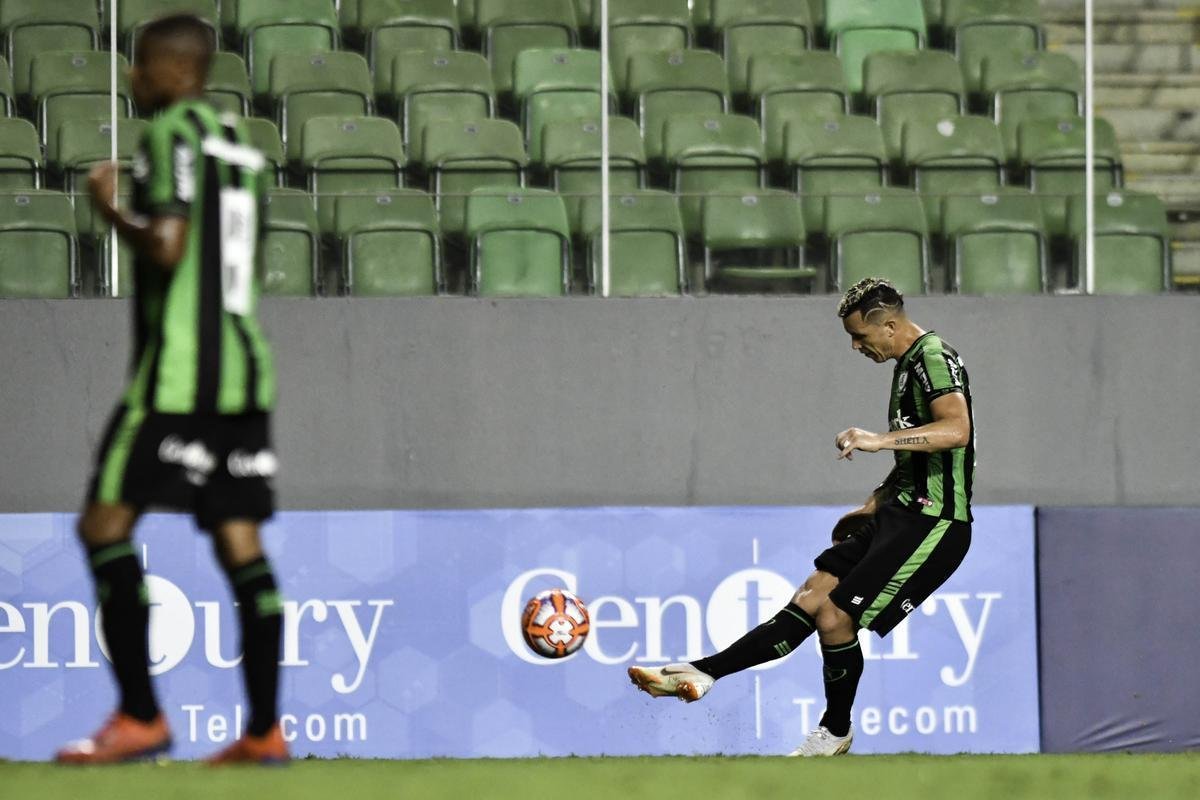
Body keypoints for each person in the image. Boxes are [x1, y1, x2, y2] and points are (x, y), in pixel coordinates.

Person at [56, 14, 286, 765]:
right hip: (244, 371)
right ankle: (264, 731)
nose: (133, 77)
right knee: (241, 543)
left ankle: (140, 717)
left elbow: (168, 245)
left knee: (103, 528)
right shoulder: (242, 147)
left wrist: (109, 212)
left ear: (175, 70)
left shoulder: (168, 136)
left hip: (178, 377)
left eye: (141, 64)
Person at [628, 277, 975, 757]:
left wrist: (878, 440)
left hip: (934, 522)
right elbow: (919, 458)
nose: (855, 347)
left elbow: (956, 430)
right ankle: (704, 672)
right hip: (899, 511)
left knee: (836, 617)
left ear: (890, 326)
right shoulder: (907, 366)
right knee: (814, 597)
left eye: (859, 336)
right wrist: (873, 504)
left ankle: (833, 729)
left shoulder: (932, 357)